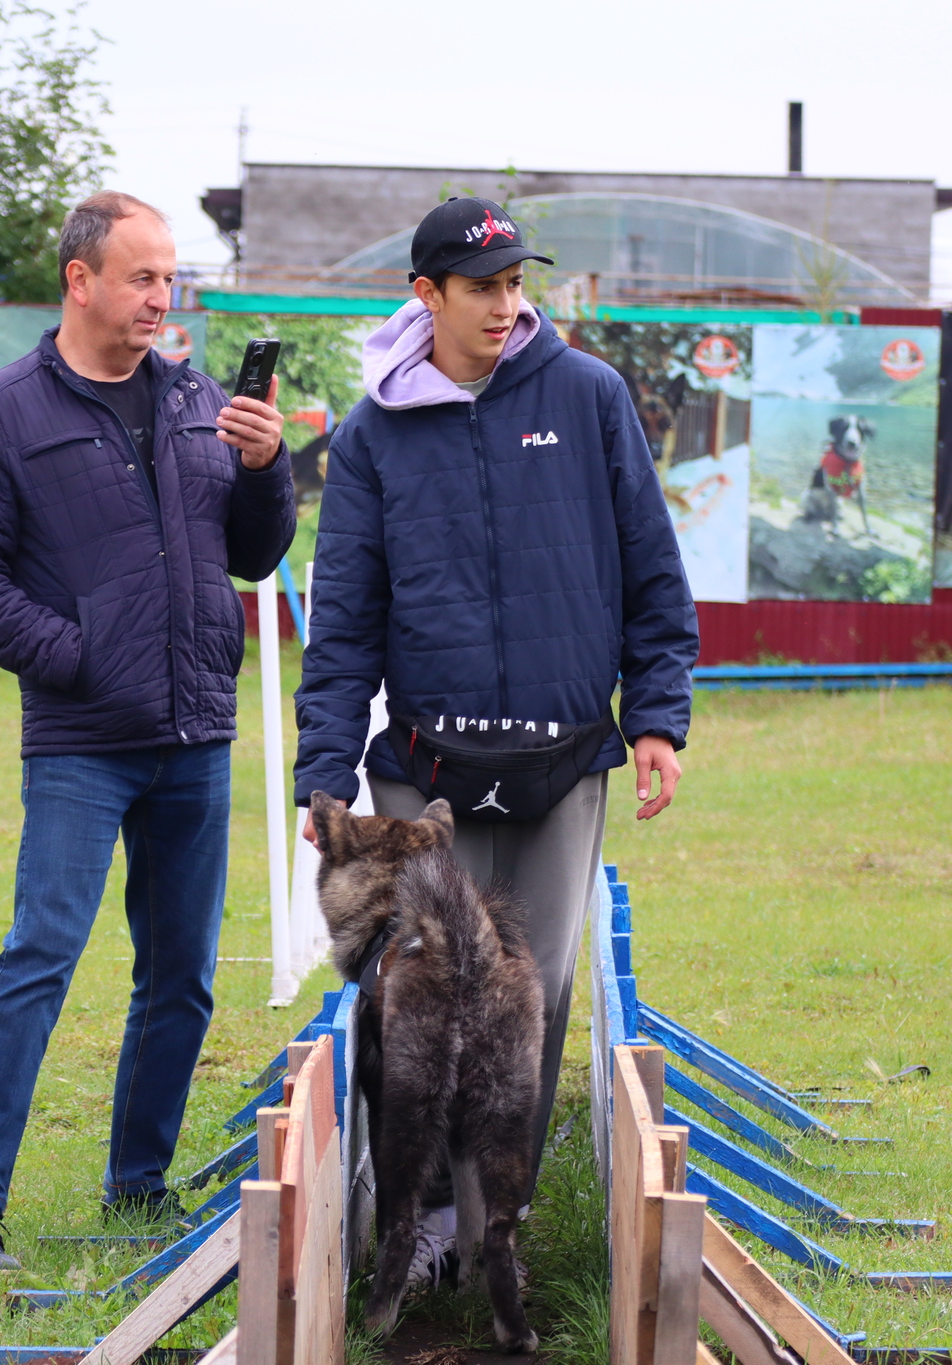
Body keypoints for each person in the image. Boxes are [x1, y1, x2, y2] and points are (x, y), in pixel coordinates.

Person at [293, 196, 699, 1286]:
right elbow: (343, 620)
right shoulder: (373, 433)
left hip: (562, 764)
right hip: (423, 771)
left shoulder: (587, 396)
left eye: (516, 285)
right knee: (415, 995)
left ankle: (490, 1242)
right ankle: (413, 1233)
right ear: (425, 296)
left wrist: (656, 717)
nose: (505, 306)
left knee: (532, 1000)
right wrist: (324, 772)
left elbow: (652, 572)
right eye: (482, 287)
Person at [0, 191, 295, 1272]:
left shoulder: (193, 400)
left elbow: (253, 556)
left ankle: (138, 1187)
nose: (159, 298)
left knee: (180, 974)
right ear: (78, 280)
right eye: (140, 277)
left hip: (195, 733)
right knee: (39, 957)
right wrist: (75, 656)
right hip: (82, 741)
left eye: (167, 278)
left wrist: (268, 470)